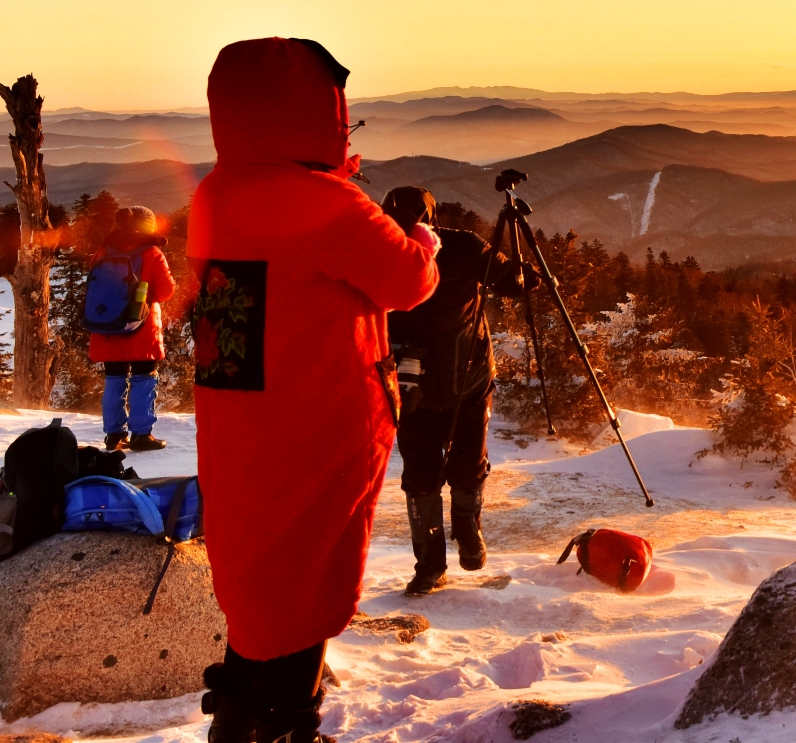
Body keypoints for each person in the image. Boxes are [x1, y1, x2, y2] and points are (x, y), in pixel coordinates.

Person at [188, 38, 438, 743]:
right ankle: (288, 724)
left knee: (258, 569)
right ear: (318, 112)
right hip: (317, 415)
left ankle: (236, 713)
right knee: (308, 568)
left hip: (236, 421)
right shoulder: (325, 201)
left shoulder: (216, 192)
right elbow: (407, 283)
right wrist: (424, 242)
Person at [379, 186, 529, 595]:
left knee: (464, 467)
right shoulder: (379, 256)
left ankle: (465, 532)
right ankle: (430, 564)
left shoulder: (462, 248)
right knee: (422, 477)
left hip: (467, 380)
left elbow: (511, 284)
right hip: (415, 388)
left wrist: (520, 269)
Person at [88, 205, 176, 452]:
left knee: (114, 378)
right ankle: (141, 434)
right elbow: (167, 290)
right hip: (140, 324)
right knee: (143, 377)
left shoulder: (103, 250)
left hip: (106, 325)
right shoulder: (152, 252)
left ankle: (114, 435)